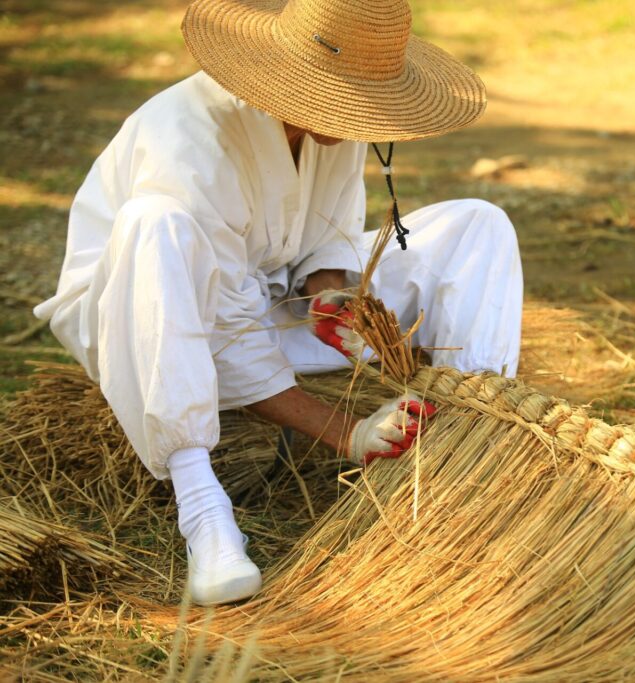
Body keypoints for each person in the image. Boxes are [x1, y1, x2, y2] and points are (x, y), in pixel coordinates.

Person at [33, 0, 523, 606]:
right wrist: (346, 433)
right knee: (155, 222)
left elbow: (327, 236)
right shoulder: (187, 141)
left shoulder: (333, 121)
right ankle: (203, 509)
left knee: (478, 223)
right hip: (144, 313)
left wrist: (331, 295)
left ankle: (478, 436)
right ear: (286, 74)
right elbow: (222, 326)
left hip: (262, 298)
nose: (350, 118)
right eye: (338, 98)